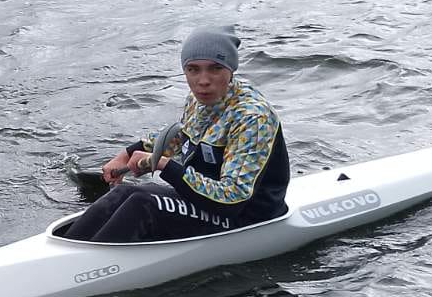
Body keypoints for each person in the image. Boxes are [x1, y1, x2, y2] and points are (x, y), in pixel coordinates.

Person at [59, 29, 289, 244]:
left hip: (246, 217)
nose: (203, 80)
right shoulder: (199, 100)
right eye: (193, 69)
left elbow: (233, 198)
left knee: (142, 204)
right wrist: (126, 154)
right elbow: (179, 138)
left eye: (215, 68)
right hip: (204, 202)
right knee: (125, 191)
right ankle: (68, 250)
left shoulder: (253, 118)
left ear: (231, 70)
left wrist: (162, 164)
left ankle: (84, 269)